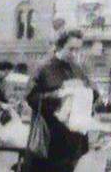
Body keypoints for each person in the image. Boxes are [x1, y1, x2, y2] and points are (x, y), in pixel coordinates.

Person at [24, 28, 91, 172]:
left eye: (78, 50)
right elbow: (31, 97)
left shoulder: (78, 69)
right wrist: (58, 95)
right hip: (49, 138)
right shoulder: (42, 67)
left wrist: (87, 93)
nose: (74, 54)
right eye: (71, 49)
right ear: (60, 46)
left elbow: (91, 92)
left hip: (73, 140)